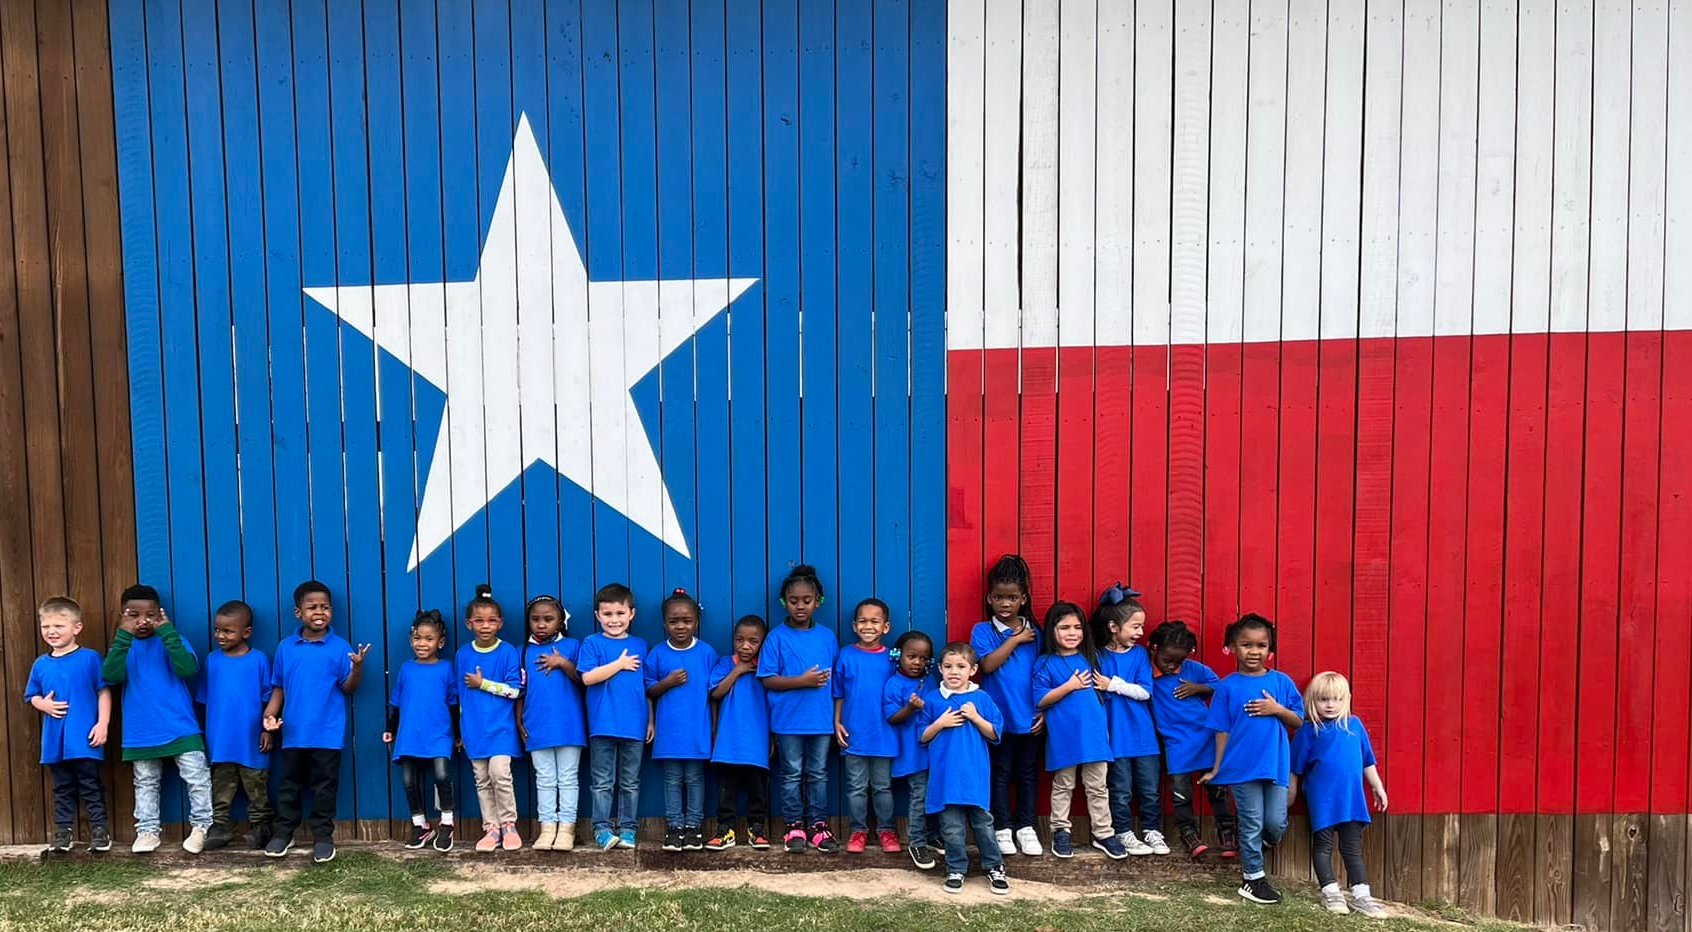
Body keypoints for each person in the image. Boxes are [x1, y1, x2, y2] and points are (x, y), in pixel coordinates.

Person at [263, 580, 370, 864]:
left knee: (324, 788)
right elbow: (279, 688)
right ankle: (284, 832)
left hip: (327, 734)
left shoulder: (340, 647)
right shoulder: (286, 648)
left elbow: (349, 688)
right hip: (293, 734)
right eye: (312, 607)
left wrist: (357, 668)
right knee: (289, 786)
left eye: (325, 607)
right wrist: (268, 718)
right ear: (298, 612)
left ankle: (323, 837)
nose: (319, 612)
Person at [1200, 613, 1305, 904]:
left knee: (1274, 822)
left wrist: (1276, 709)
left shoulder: (1281, 682)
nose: (1254, 651)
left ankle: (1255, 849)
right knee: (1252, 821)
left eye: (1261, 645)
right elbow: (1221, 731)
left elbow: (1298, 720)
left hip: (1275, 765)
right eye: (1246, 645)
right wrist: (1217, 769)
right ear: (1232, 647)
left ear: (1270, 649)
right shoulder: (1227, 687)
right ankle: (1253, 880)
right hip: (1241, 767)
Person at [102, 584, 213, 854]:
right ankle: (148, 831)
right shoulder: (123, 646)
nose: (142, 621)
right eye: (133, 615)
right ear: (121, 616)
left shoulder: (172, 638)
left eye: (150, 615)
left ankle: (202, 827)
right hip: (141, 731)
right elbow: (111, 675)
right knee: (146, 781)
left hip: (180, 725)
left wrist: (167, 632)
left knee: (197, 777)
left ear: (160, 615)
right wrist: (122, 638)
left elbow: (187, 668)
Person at [1290, 671, 1389, 918]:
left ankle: (1361, 896)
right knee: (1323, 845)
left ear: (1346, 700)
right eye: (1324, 699)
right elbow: (1295, 767)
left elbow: (1367, 761)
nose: (1331, 705)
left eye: (1336, 699)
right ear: (1313, 700)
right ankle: (1331, 892)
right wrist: (1290, 793)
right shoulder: (1308, 730)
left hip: (1352, 798)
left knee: (1352, 848)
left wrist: (1377, 787)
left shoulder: (1354, 725)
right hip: (1321, 798)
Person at [1033, 602, 1126, 859]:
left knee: (1098, 786)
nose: (1072, 633)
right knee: (1063, 785)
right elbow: (1040, 699)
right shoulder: (1045, 663)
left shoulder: (1091, 657)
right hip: (1064, 737)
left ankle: (1103, 833)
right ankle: (1060, 831)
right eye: (1064, 627)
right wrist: (1069, 685)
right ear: (1052, 630)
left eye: (1077, 627)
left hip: (1095, 736)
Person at [758, 564, 840, 853]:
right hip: (788, 721)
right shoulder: (776, 638)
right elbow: (768, 679)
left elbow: (837, 683)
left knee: (818, 773)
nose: (801, 606)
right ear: (784, 602)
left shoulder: (827, 637)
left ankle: (818, 825)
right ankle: (793, 825)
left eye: (807, 600)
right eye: (794, 601)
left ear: (818, 601)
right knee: (791, 773)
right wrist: (802, 681)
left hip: (820, 720)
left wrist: (837, 718)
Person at [920, 642, 1009, 895]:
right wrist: (940, 722)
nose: (954, 671)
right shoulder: (933, 699)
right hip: (945, 778)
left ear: (973, 670)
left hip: (974, 776)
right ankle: (956, 868)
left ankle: (995, 867)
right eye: (948, 666)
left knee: (983, 824)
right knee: (951, 828)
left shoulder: (981, 698)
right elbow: (923, 736)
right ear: (940, 668)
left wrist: (976, 717)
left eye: (961, 666)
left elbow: (995, 734)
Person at [969, 554, 1043, 856]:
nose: (1005, 603)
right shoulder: (983, 631)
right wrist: (1014, 640)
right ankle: (1002, 827)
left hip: (1031, 718)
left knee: (1027, 773)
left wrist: (1045, 711)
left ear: (1023, 599)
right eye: (999, 597)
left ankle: (1026, 826)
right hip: (996, 719)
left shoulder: (1037, 633)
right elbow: (986, 665)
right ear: (989, 598)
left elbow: (1047, 675)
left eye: (1012, 597)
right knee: (999, 773)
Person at [26, 596, 111, 853]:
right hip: (55, 741)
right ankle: (63, 832)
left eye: (58, 626)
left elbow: (103, 691)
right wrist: (44, 705)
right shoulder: (41, 664)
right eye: (46, 626)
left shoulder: (90, 658)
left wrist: (103, 724)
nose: (51, 632)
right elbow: (32, 696)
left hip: (84, 737)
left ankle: (100, 831)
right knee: (62, 787)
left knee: (90, 784)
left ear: (77, 627)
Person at [1147, 620, 1235, 858]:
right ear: (1154, 648)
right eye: (1168, 660)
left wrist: (1199, 689)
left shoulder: (1194, 670)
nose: (1173, 666)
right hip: (1176, 743)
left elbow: (1221, 688)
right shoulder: (1146, 673)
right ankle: (1188, 834)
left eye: (1179, 661)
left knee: (1218, 789)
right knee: (1180, 792)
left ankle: (1227, 834)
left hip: (1205, 737)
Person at [194, 600, 274, 850]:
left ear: (246, 632)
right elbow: (204, 700)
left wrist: (266, 731)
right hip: (221, 739)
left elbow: (268, 699)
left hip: (251, 739)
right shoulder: (212, 660)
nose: (220, 636)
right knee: (221, 785)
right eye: (217, 630)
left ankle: (261, 827)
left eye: (228, 631)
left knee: (256, 786)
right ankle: (219, 826)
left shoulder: (259, 660)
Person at [1094, 586, 1166, 856]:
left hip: (1143, 734)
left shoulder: (1139, 655)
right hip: (1115, 735)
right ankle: (1123, 831)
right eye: (1135, 626)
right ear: (1114, 626)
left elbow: (1145, 691)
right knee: (1120, 789)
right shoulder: (1099, 656)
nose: (1140, 633)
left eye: (1142, 627)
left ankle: (1152, 830)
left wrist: (1113, 684)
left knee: (1149, 788)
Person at [645, 589, 719, 852]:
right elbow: (649, 691)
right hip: (669, 731)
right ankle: (675, 827)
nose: (680, 626)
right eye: (674, 621)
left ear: (696, 622)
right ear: (665, 623)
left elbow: (714, 694)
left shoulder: (707, 653)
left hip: (697, 730)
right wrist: (668, 682)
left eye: (686, 621)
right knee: (672, 779)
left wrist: (713, 727)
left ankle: (694, 827)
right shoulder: (657, 654)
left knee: (696, 779)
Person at [579, 582, 650, 850]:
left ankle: (628, 829)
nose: (614, 620)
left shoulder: (641, 645)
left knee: (630, 782)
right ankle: (602, 829)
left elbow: (646, 687)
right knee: (602, 782)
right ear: (597, 615)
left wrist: (651, 719)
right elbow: (587, 677)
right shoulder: (592, 643)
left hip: (634, 724)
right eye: (607, 614)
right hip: (603, 724)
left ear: (632, 614)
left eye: (620, 614)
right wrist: (619, 664)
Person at [456, 584, 524, 852]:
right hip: (474, 729)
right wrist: (459, 730)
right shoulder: (463, 654)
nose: (486, 626)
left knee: (500, 774)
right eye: (479, 621)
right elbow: (459, 695)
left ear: (501, 623)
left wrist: (484, 684)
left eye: (492, 621)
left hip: (501, 729)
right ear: (468, 623)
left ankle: (509, 825)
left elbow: (515, 690)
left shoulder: (507, 651)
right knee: (481, 779)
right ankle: (491, 828)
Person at [383, 609, 457, 852]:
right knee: (408, 781)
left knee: (442, 775)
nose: (422, 643)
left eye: (428, 639)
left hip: (439, 734)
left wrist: (458, 734)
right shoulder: (406, 668)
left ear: (440, 642)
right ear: (410, 640)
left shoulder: (446, 668)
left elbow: (453, 704)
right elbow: (397, 703)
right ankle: (421, 825)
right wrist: (390, 729)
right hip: (409, 735)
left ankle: (447, 823)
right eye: (417, 638)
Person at [520, 594, 586, 851]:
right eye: (535, 619)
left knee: (568, 778)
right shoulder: (523, 650)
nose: (541, 624)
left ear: (560, 621)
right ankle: (547, 828)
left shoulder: (572, 646)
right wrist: (518, 720)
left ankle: (567, 829)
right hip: (536, 725)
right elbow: (520, 689)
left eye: (548, 619)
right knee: (544, 778)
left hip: (569, 724)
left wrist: (562, 662)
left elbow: (582, 678)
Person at [833, 597, 898, 853]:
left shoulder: (894, 659)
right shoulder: (846, 655)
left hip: (885, 734)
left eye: (875, 621)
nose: (868, 626)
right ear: (854, 625)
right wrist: (837, 722)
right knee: (856, 787)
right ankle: (857, 830)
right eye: (862, 621)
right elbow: (839, 693)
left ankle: (887, 830)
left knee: (882, 786)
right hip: (853, 733)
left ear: (886, 627)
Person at [706, 614, 772, 851]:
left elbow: (774, 703)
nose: (745, 646)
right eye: (739, 640)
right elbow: (715, 693)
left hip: (757, 741)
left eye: (753, 641)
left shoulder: (766, 668)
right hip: (728, 742)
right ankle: (726, 831)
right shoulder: (725, 663)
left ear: (763, 642)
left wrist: (773, 737)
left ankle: (757, 831)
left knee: (757, 792)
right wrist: (739, 670)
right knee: (727, 791)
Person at [883, 629, 938, 868]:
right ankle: (917, 841)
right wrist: (910, 708)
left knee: (934, 795)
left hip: (934, 751)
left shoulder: (932, 681)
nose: (917, 662)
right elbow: (893, 717)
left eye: (923, 658)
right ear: (898, 656)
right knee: (919, 797)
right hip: (912, 752)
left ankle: (935, 835)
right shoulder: (894, 684)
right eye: (911, 656)